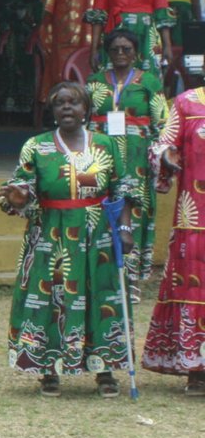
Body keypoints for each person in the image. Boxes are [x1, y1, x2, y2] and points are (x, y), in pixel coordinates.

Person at [0, 81, 135, 397]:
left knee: (102, 300)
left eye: (73, 102)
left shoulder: (106, 145)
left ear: (86, 109)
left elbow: (123, 190)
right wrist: (18, 198)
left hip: (98, 235)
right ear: (53, 110)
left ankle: (104, 370)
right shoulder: (37, 146)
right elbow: (20, 189)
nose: (67, 108)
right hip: (50, 235)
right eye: (60, 103)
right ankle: (48, 369)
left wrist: (125, 231)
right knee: (50, 300)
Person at [87, 29, 167, 283]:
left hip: (137, 155)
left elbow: (163, 122)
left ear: (136, 52)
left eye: (126, 49)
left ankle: (131, 273)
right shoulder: (95, 81)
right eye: (115, 49)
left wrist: (161, 156)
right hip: (100, 153)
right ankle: (101, 269)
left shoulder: (149, 81)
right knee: (99, 204)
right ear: (107, 53)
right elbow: (83, 118)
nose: (120, 54)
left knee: (135, 207)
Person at [145, 84, 205, 393]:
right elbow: (161, 146)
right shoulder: (186, 103)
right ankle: (197, 369)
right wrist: (165, 156)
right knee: (194, 287)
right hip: (195, 216)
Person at [0, 0, 48, 118]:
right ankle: (20, 112)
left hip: (49, 30)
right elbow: (8, 2)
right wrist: (26, 16)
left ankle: (46, 110)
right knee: (20, 70)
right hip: (22, 30)